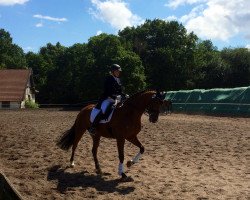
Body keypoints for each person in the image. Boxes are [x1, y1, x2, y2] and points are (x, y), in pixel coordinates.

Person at [88, 64, 126, 135]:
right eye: (117, 71)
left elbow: (120, 91)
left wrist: (124, 95)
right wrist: (113, 96)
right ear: (113, 71)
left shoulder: (118, 79)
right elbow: (107, 90)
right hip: (107, 98)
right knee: (104, 109)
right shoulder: (109, 78)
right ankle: (93, 127)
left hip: (116, 98)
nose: (118, 72)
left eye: (119, 71)